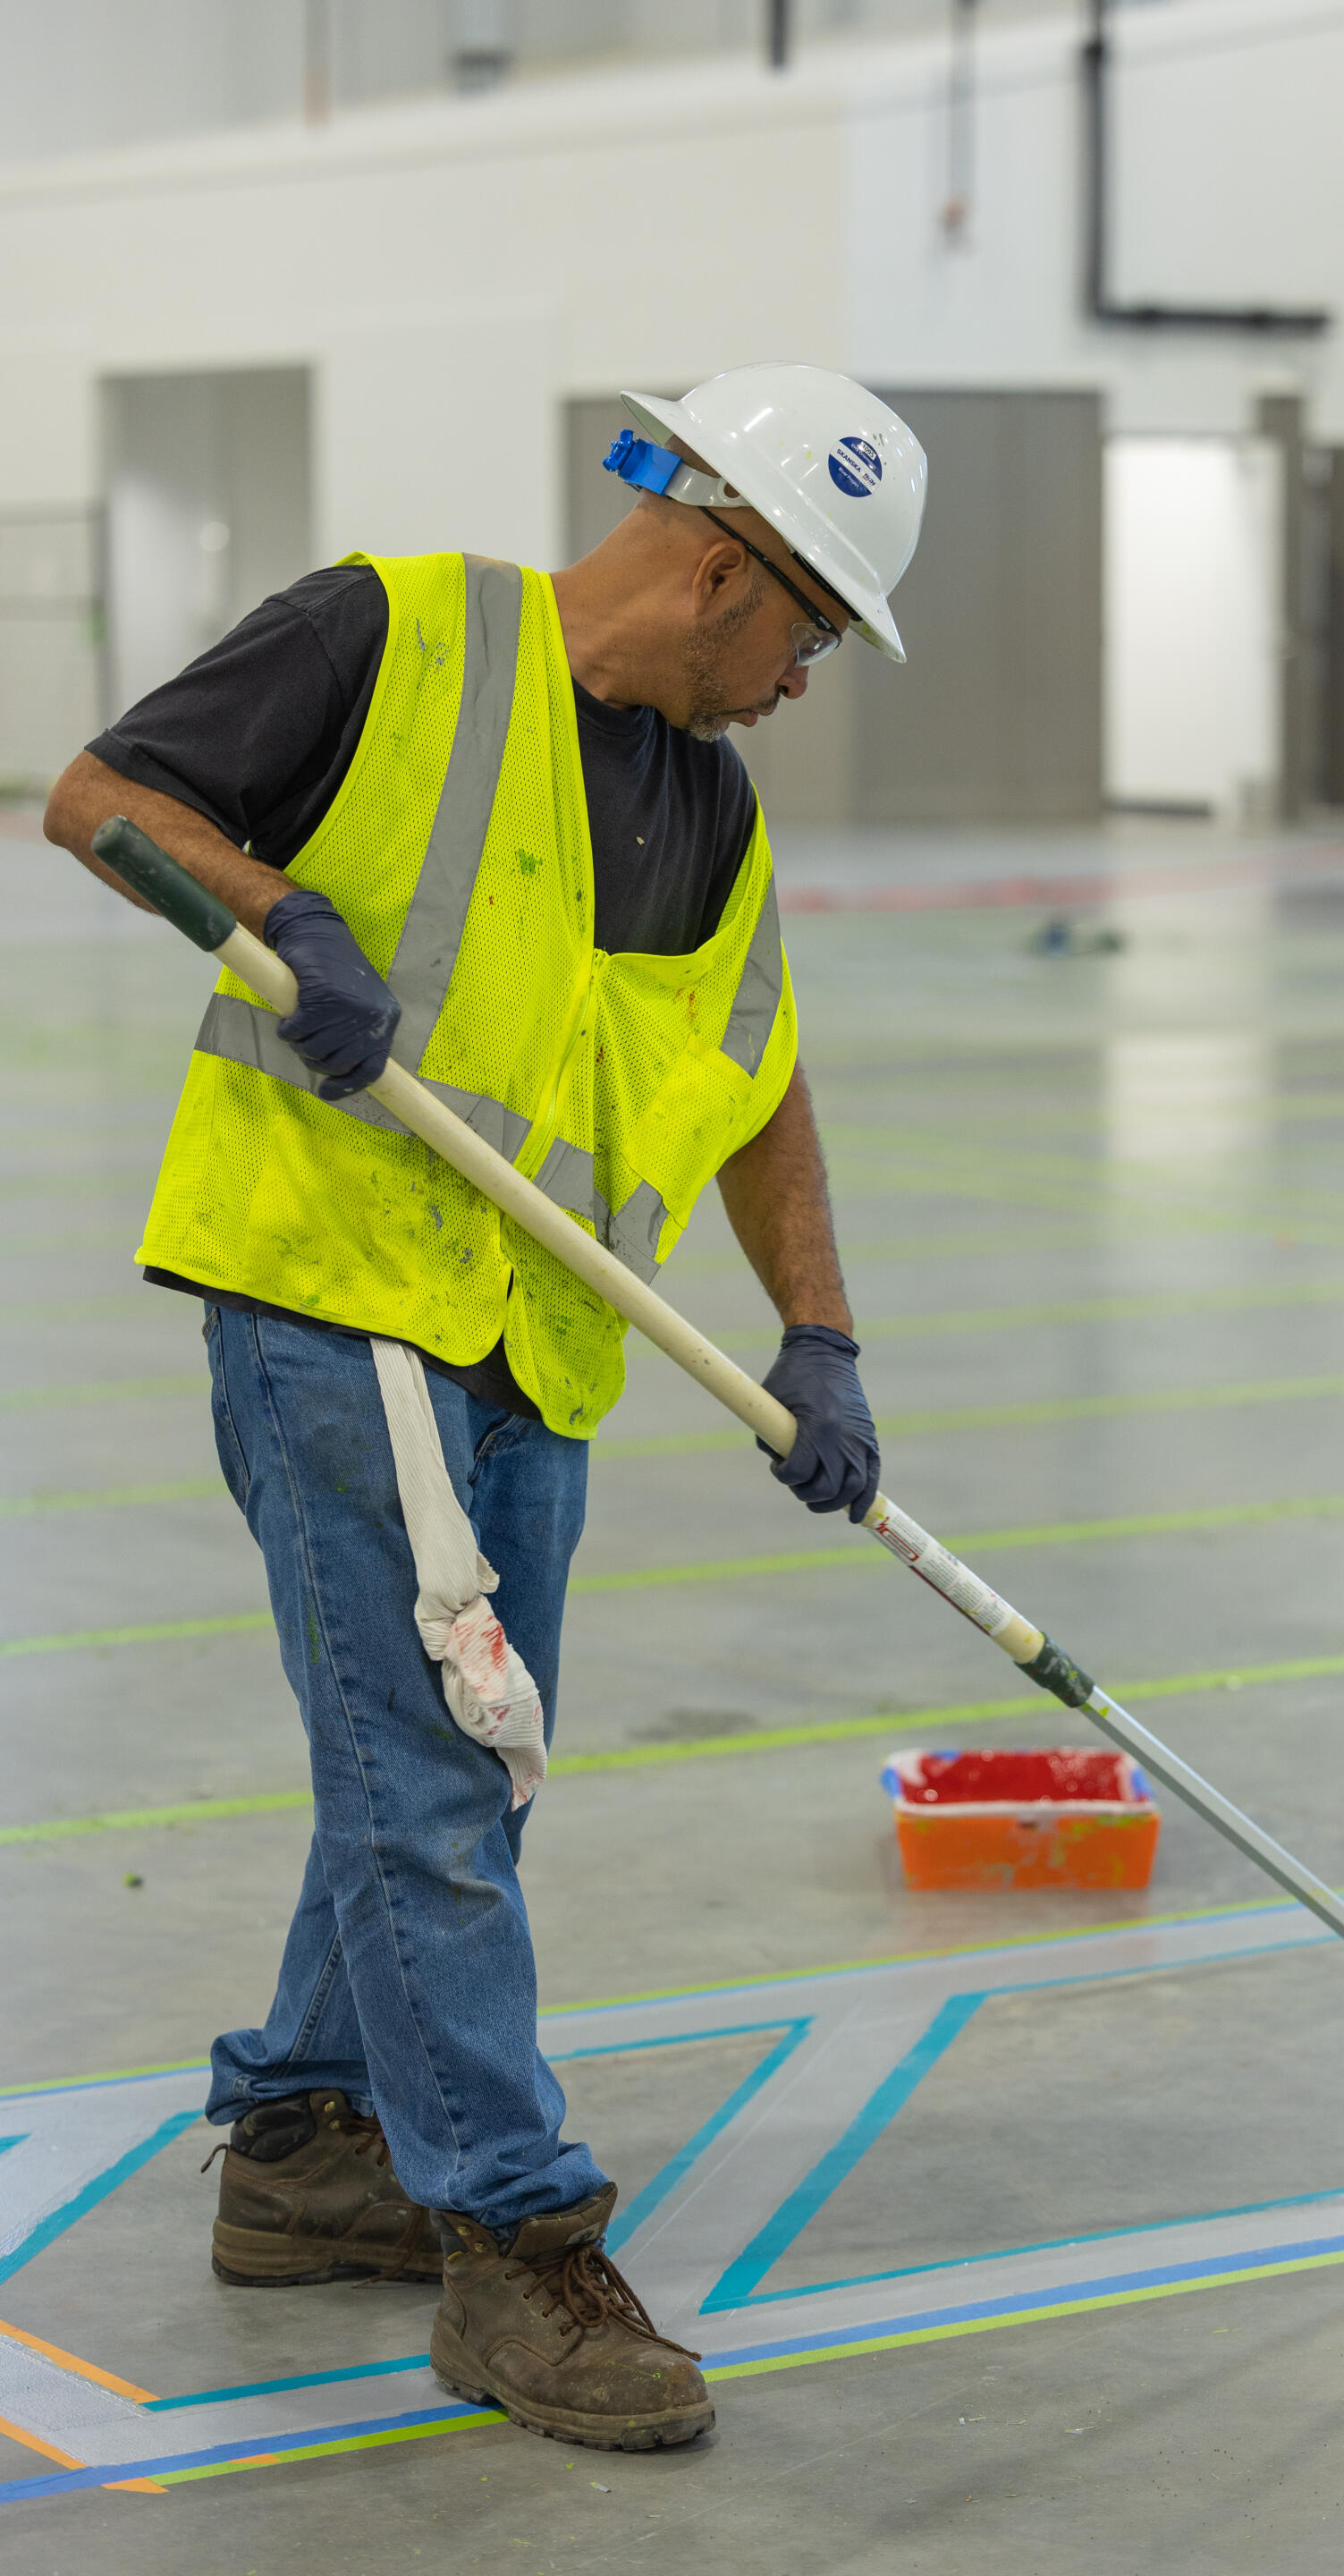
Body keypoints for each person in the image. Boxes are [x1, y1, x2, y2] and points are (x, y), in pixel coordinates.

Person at [44, 365, 927, 2454]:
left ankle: (299, 2134)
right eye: (808, 628)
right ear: (723, 566)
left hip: (534, 1348)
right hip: (335, 1298)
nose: (808, 678)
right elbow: (98, 795)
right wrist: (278, 915)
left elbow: (757, 1078)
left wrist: (822, 1338)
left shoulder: (706, 800)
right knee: (438, 1771)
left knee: (462, 1766)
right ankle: (517, 2250)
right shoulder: (393, 629)